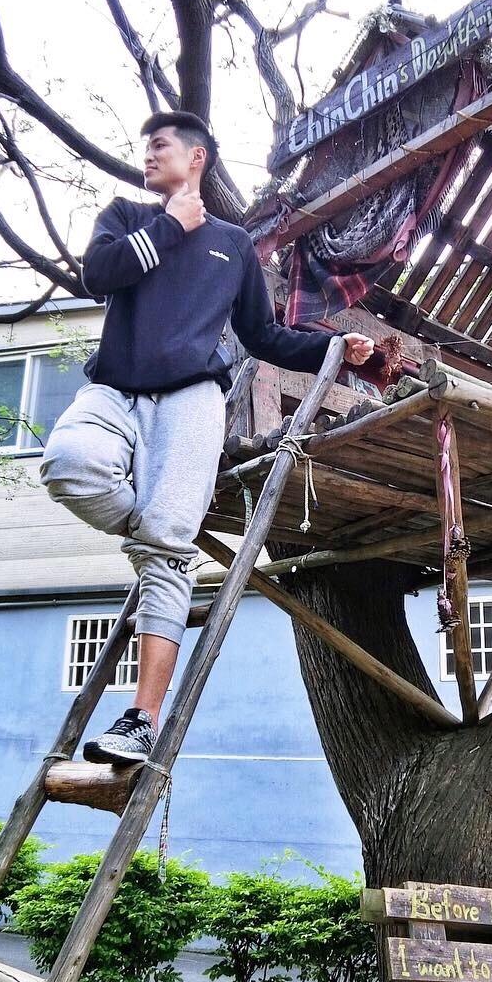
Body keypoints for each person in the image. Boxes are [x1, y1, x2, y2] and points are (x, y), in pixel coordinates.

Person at [41, 110, 374, 763]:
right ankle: (161, 540)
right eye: (145, 146)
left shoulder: (234, 247)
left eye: (160, 145)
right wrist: (170, 225)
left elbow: (264, 336)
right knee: (69, 464)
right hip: (115, 389)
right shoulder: (127, 216)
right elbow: (97, 275)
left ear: (197, 157)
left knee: (169, 552)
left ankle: (141, 720)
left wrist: (335, 346)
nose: (147, 154)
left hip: (191, 399)